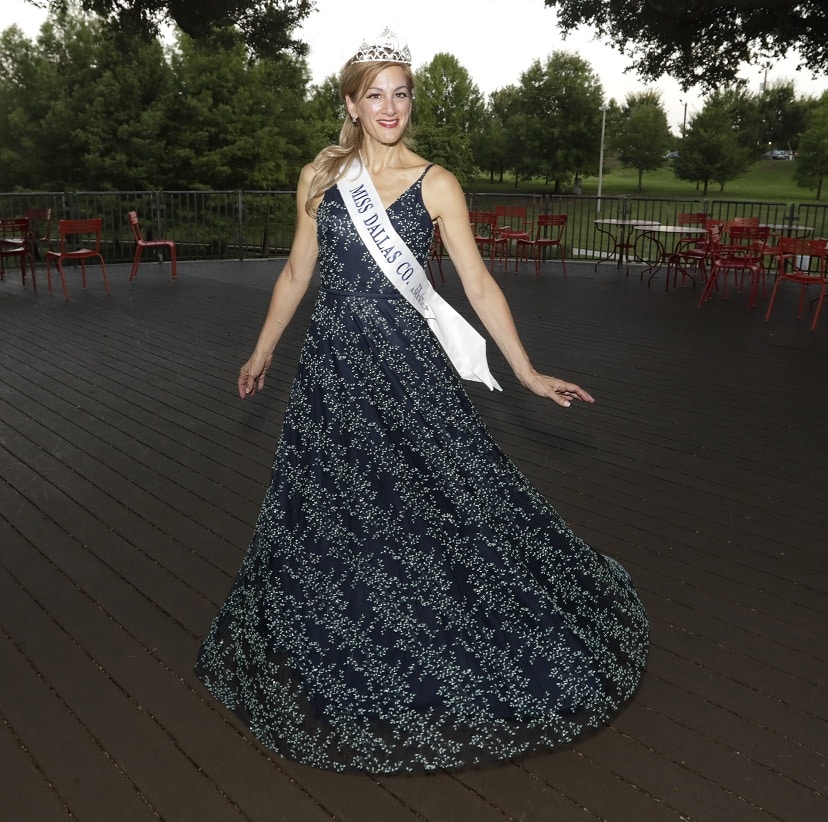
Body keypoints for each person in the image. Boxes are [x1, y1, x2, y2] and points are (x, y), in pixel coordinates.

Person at [195, 28, 648, 775]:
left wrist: (527, 372)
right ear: (350, 102)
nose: (389, 106)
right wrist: (263, 347)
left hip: (411, 375)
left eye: (400, 92)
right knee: (331, 511)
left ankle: (444, 625)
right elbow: (294, 274)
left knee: (445, 500)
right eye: (374, 93)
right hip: (334, 378)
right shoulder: (319, 177)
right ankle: (335, 633)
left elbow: (476, 285)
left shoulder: (436, 183)